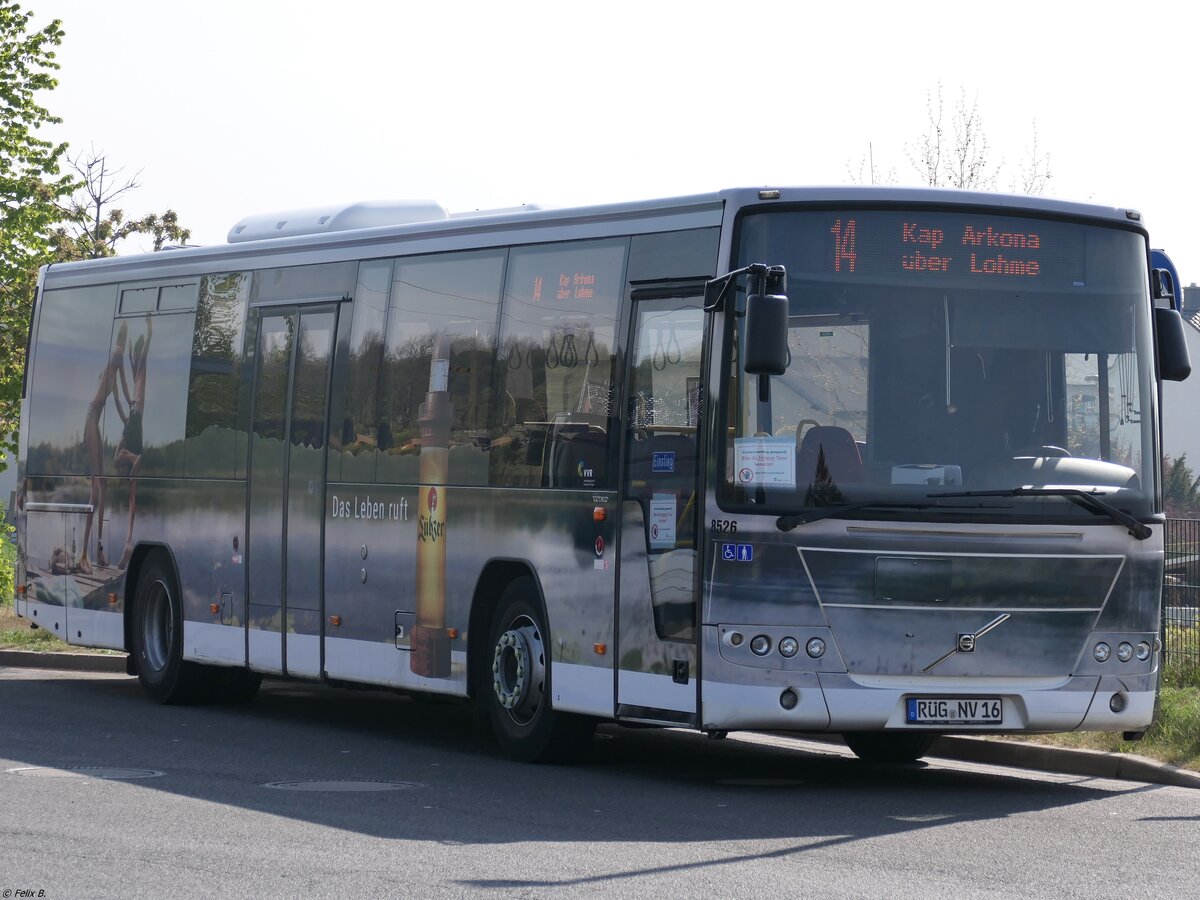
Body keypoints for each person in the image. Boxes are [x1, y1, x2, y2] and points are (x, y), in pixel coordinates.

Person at [77, 322, 130, 575]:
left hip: (93, 420)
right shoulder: (117, 358)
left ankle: (98, 550)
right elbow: (126, 394)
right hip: (90, 419)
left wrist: (127, 418)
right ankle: (83, 555)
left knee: (104, 485)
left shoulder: (111, 365)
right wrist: (134, 405)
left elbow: (119, 399)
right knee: (96, 490)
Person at [114, 314, 152, 570]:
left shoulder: (141, 369)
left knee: (118, 456)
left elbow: (143, 354)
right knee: (132, 492)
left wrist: (149, 332)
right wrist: (130, 353)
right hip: (136, 423)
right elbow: (134, 363)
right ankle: (129, 540)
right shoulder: (139, 371)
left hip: (134, 419)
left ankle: (130, 457)